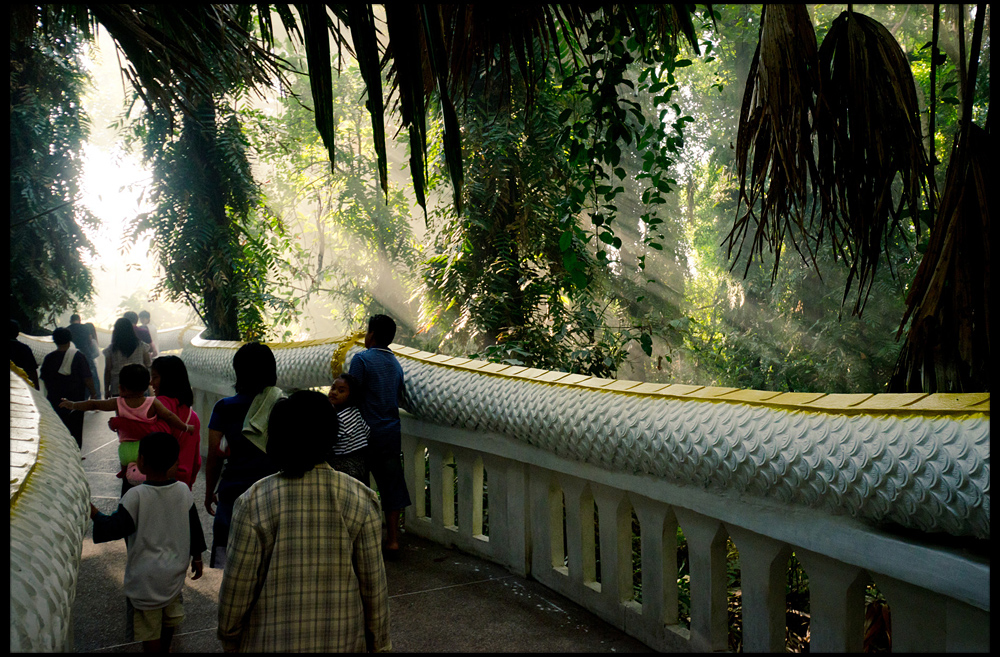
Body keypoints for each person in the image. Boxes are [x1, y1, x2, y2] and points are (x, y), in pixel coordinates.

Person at [217, 391, 391, 652]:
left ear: (275, 437)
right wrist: (380, 644)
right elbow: (373, 586)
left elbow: (237, 587)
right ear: (331, 436)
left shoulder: (252, 502)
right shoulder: (360, 499)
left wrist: (229, 635)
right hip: (342, 641)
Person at [90, 432, 207, 653]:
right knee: (169, 619)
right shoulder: (183, 491)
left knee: (149, 628)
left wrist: (93, 512)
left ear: (141, 460)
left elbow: (113, 528)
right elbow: (194, 527)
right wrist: (198, 556)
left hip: (145, 580)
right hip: (174, 575)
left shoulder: (135, 496)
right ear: (175, 462)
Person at [62, 364, 194, 494]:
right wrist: (186, 427)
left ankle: (126, 484)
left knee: (128, 483)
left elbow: (93, 404)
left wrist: (73, 404)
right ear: (146, 385)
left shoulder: (118, 402)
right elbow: (170, 416)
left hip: (126, 451)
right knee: (151, 481)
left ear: (121, 388)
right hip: (149, 450)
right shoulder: (152, 403)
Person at [204, 342, 280, 569]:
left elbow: (215, 454)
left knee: (230, 561)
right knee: (268, 561)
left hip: (233, 492)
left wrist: (209, 492)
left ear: (238, 371)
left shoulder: (224, 407)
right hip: (272, 491)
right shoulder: (280, 405)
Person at [348, 314, 411, 555]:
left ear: (371, 334)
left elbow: (352, 395)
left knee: (359, 486)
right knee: (391, 486)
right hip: (390, 433)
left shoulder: (361, 359)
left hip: (363, 435)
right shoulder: (395, 364)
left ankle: (363, 538)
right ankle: (393, 540)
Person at [148, 355, 201, 490]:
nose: (151, 383)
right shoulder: (193, 417)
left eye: (155, 377)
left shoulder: (160, 406)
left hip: (160, 482)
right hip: (183, 484)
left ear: (167, 379)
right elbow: (196, 461)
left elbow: (154, 441)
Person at [41, 327, 97, 448]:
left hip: (55, 399)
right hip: (76, 400)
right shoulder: (78, 356)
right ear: (69, 340)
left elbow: (45, 379)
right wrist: (93, 393)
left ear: (54, 340)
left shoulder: (49, 358)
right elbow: (87, 377)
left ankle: (61, 453)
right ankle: (76, 453)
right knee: (75, 428)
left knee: (59, 428)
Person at [326, 373, 371, 484]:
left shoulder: (339, 418)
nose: (334, 393)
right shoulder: (355, 412)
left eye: (341, 391)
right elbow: (367, 431)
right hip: (361, 464)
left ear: (351, 396)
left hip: (342, 466)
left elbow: (329, 442)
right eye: (333, 388)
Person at [104, 317, 152, 399]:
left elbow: (108, 370)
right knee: (141, 410)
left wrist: (106, 390)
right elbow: (148, 364)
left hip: (118, 387)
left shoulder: (111, 349)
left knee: (122, 411)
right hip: (139, 385)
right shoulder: (141, 346)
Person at [68, 314, 101, 399]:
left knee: (78, 378)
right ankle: (97, 398)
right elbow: (90, 340)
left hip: (73, 356)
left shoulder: (68, 329)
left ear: (71, 321)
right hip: (86, 354)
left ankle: (82, 399)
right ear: (79, 320)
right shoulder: (84, 327)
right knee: (93, 376)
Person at [10, 319, 39, 389]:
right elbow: (32, 372)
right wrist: (37, 391)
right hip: (21, 388)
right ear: (17, 333)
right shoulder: (24, 349)